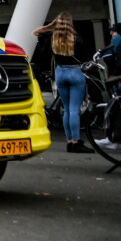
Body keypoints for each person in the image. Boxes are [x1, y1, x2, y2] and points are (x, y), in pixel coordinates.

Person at [35, 12, 93, 153]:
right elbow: (85, 57)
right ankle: (76, 141)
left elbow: (42, 55)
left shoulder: (52, 39)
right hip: (75, 72)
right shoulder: (77, 38)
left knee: (67, 109)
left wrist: (42, 37)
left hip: (60, 72)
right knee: (74, 109)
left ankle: (69, 141)